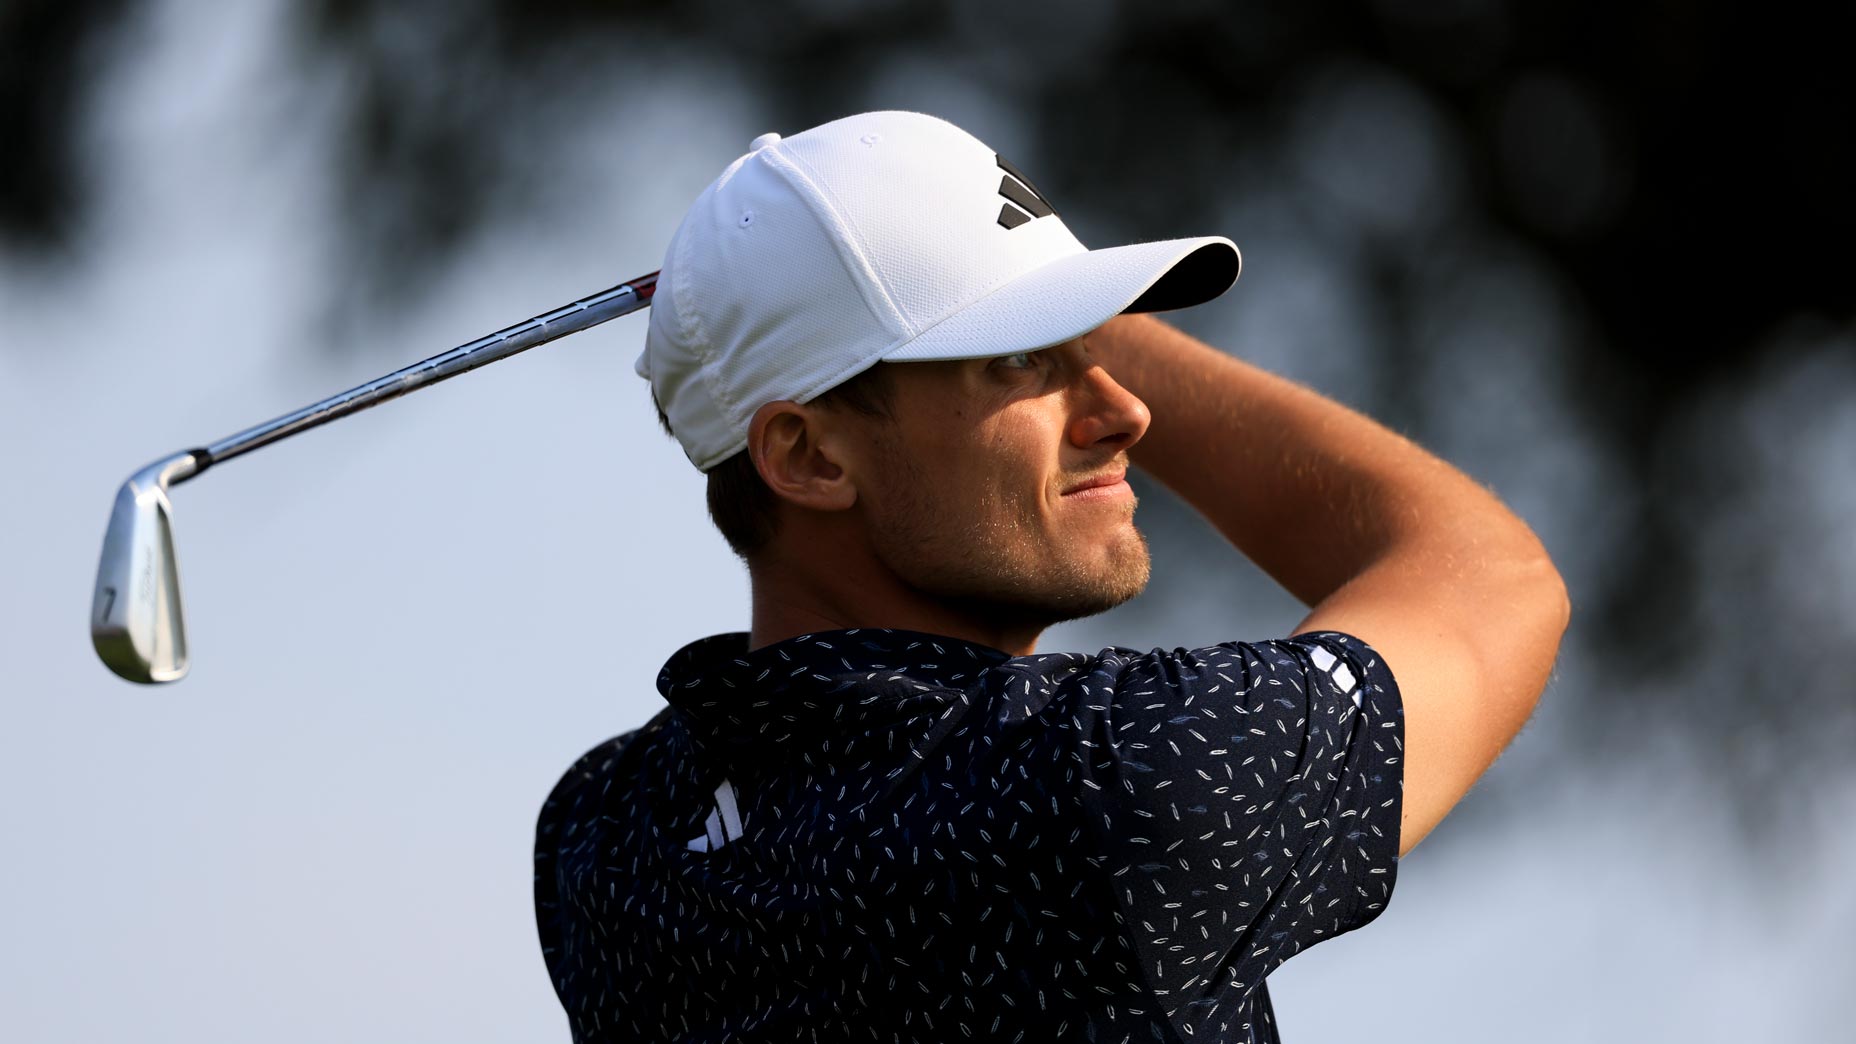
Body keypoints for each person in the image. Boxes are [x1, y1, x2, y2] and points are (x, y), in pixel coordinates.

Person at [533, 111, 1569, 1044]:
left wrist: (1008, 302)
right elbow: (1491, 580)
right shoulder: (1106, 775)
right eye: (1019, 360)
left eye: (1088, 341)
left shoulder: (603, 845)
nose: (1125, 410)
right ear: (808, 457)